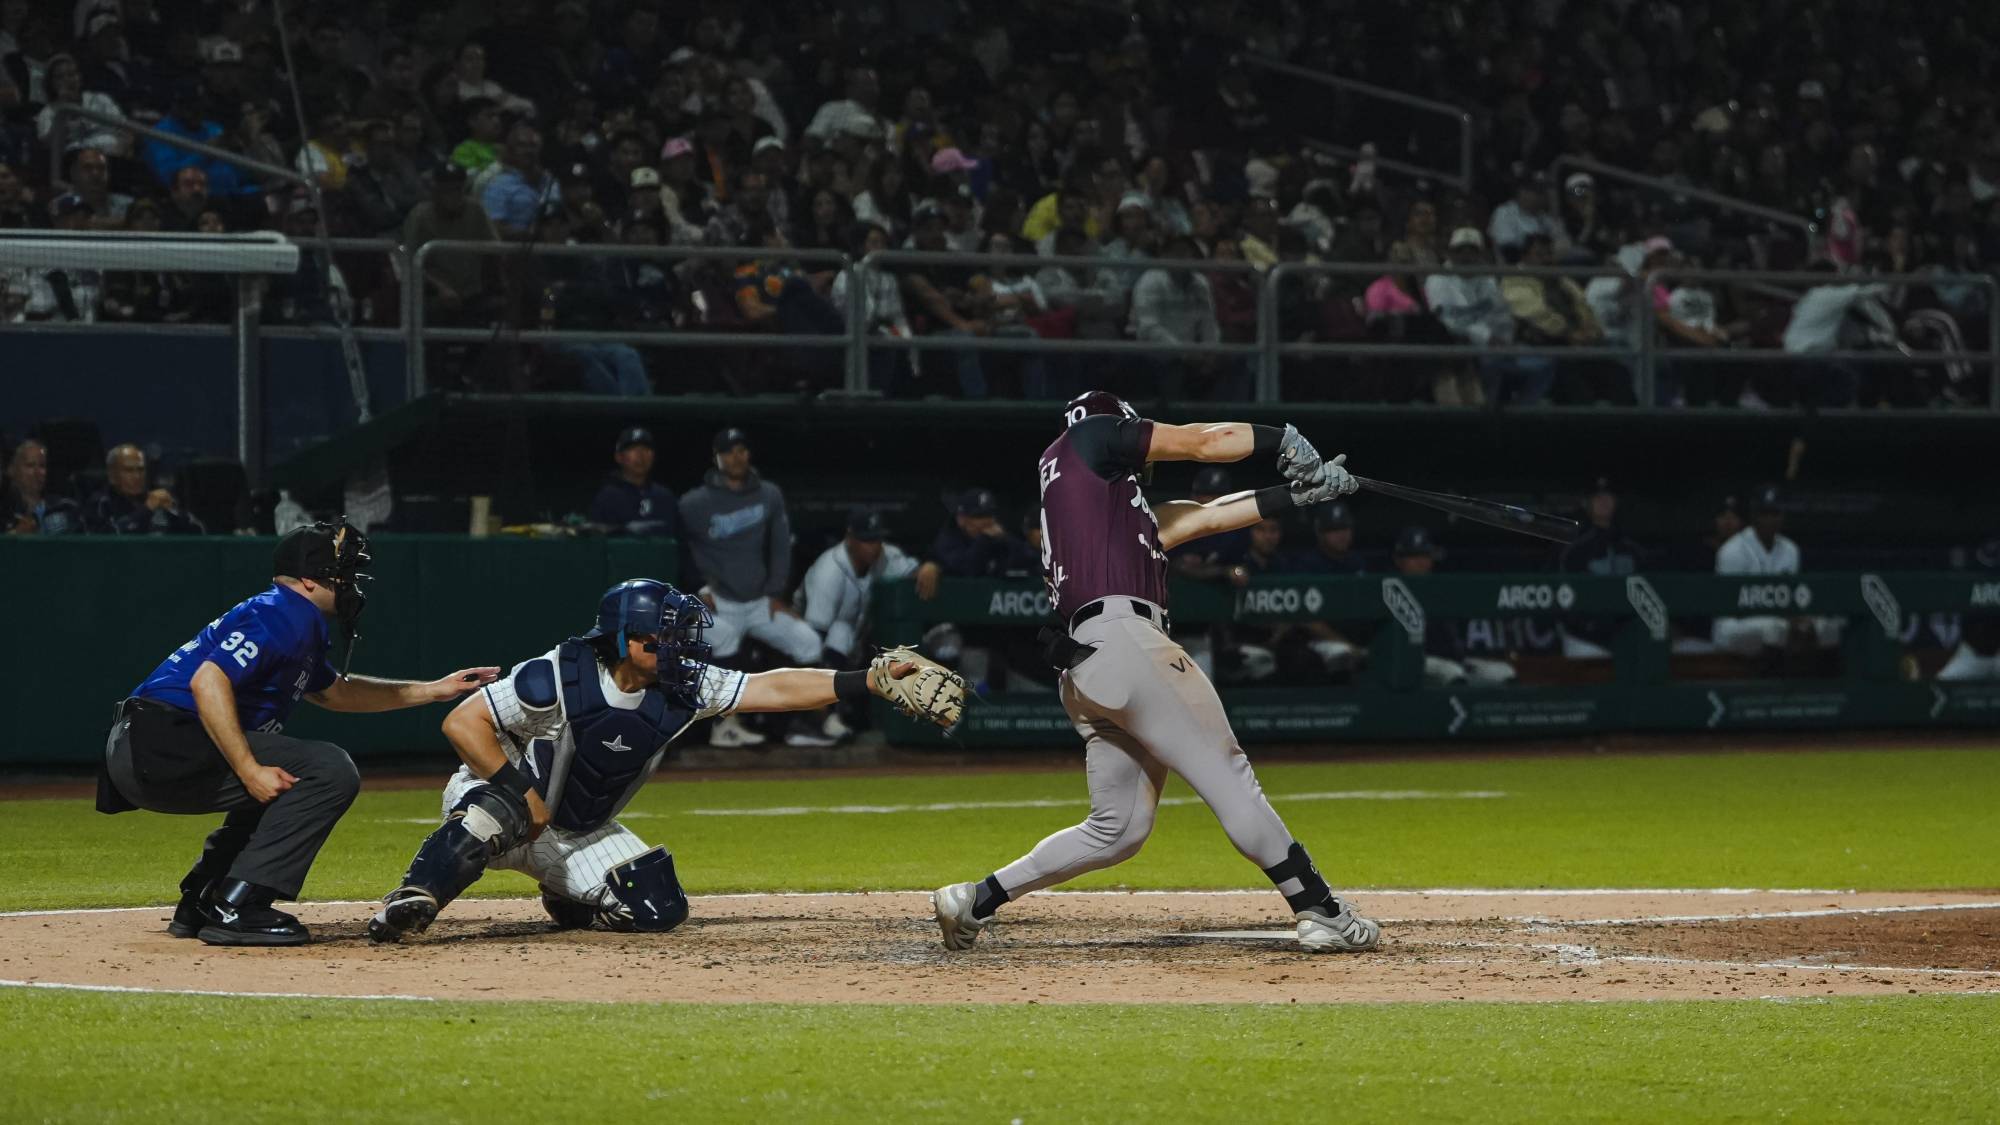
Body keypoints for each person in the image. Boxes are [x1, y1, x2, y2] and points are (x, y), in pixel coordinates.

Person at [930, 392, 1380, 954]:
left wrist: (1299, 493)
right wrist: (1282, 439)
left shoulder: (1091, 503)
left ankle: (973, 901)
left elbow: (1208, 515)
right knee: (1228, 772)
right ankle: (1320, 909)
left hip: (1087, 668)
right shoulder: (1091, 436)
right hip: (1126, 642)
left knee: (1116, 829)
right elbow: (1203, 441)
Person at [367, 579, 947, 941]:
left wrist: (865, 680)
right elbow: (462, 721)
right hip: (503, 806)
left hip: (578, 828)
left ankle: (565, 891)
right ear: (623, 640)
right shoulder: (557, 677)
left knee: (657, 907)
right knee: (495, 810)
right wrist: (522, 790)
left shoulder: (685, 687)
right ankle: (412, 900)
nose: (677, 648)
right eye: (662, 639)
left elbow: (772, 687)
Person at [100, 521, 498, 946]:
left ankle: (205, 898)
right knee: (327, 769)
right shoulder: (284, 612)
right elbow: (207, 682)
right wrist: (248, 768)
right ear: (309, 580)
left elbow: (334, 694)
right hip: (161, 740)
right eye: (342, 574)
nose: (350, 585)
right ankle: (240, 904)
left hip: (145, 744)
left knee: (284, 778)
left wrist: (433, 689)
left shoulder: (290, 616)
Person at [677, 428, 822, 748]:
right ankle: (723, 726)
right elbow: (680, 551)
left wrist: (775, 593)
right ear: (716, 457)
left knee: (808, 642)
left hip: (759, 601)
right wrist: (699, 589)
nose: (736, 457)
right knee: (726, 637)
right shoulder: (693, 503)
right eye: (728, 451)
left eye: (741, 450)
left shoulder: (768, 494)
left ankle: (798, 723)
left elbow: (781, 547)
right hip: (716, 601)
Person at [794, 507, 921, 741]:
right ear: (850, 538)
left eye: (876, 539)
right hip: (802, 647)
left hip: (856, 640)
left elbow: (916, 573)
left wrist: (931, 569)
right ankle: (816, 719)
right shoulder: (829, 571)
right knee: (840, 633)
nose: (873, 547)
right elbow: (813, 636)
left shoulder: (884, 556)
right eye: (866, 540)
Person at [1425, 227, 1553, 406]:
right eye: (1461, 251)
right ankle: (1486, 415)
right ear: (1450, 253)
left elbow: (1501, 314)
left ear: (1480, 254)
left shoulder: (1487, 278)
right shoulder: (1438, 279)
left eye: (1472, 251)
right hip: (1463, 346)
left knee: (1544, 364)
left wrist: (1504, 337)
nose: (1466, 256)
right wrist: (1486, 336)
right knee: (1490, 364)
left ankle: (1519, 414)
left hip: (1498, 345)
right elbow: (1448, 321)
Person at [1712, 484, 1840, 659]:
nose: (1770, 520)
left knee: (1827, 628)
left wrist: (1802, 618)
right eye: (1764, 514)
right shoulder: (1732, 551)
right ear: (1754, 516)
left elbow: (1791, 597)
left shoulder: (1790, 549)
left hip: (1778, 621)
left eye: (1775, 513)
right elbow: (1735, 606)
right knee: (1776, 629)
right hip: (1733, 625)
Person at [1392, 526, 1517, 687]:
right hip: (1413, 661)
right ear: (1398, 560)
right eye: (1413, 556)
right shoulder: (1389, 591)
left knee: (1505, 673)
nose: (1421, 562)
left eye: (1425, 555)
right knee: (1452, 674)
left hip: (1453, 660)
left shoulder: (1441, 590)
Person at [1556, 479, 1643, 659]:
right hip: (1585, 639)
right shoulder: (1575, 549)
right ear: (1587, 503)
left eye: (1608, 497)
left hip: (1626, 637)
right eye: (1597, 498)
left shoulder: (1631, 548)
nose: (1604, 501)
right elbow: (1564, 596)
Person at [401, 164, 498, 325]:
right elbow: (409, 260)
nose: (453, 195)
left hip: (473, 292)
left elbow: (494, 248)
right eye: (447, 190)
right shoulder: (420, 216)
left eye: (457, 189)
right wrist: (440, 288)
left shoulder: (475, 210)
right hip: (433, 293)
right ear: (435, 190)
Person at [87, 444, 202, 534]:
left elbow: (199, 531)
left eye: (140, 469)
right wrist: (147, 509)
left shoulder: (156, 496)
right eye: (129, 470)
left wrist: (174, 513)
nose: (137, 476)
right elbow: (104, 541)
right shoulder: (101, 503)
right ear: (113, 476)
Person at [587, 426, 676, 536]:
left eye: (646, 449)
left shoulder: (665, 497)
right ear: (619, 457)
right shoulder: (606, 498)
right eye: (633, 449)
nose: (640, 455)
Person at [5, 438, 80, 534]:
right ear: (12, 470)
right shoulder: (5, 511)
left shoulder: (65, 507)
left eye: (42, 466)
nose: (37, 472)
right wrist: (16, 534)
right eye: (30, 465)